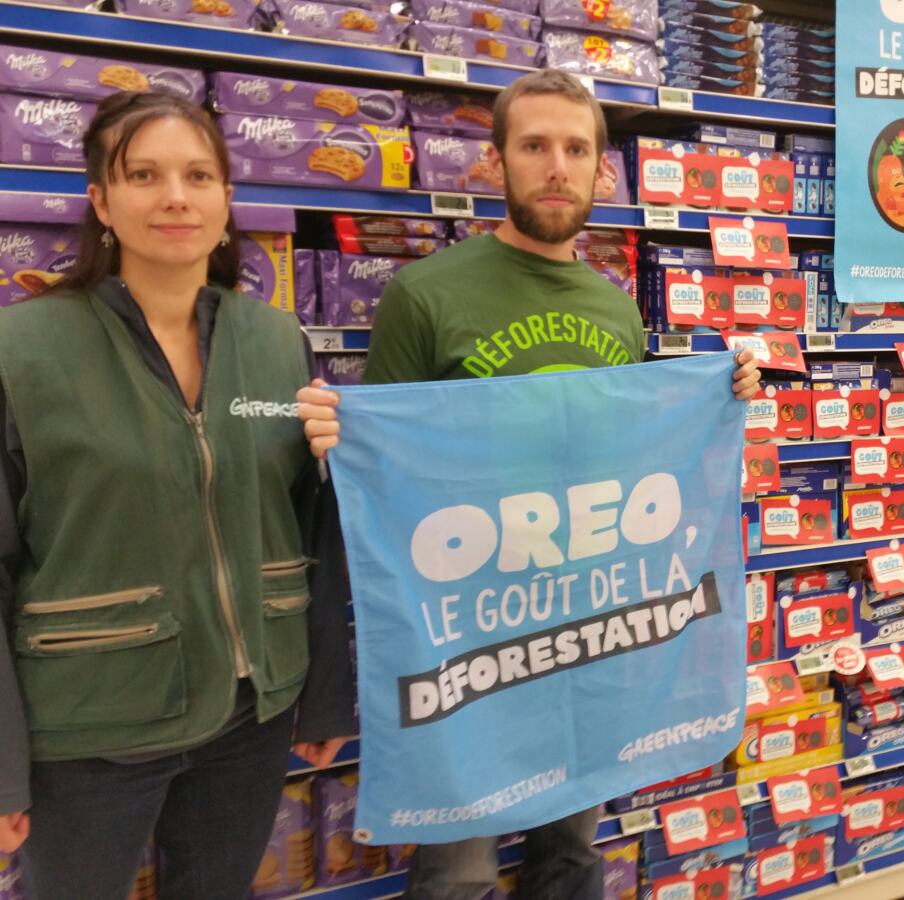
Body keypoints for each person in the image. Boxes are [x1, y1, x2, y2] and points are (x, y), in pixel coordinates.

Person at [296, 70, 760, 900]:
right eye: (535, 146)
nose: (556, 166)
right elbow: (384, 472)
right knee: (457, 868)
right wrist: (340, 439)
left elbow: (629, 450)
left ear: (599, 172)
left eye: (575, 149)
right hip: (470, 638)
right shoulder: (426, 295)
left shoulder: (614, 307)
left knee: (574, 851)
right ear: (497, 163)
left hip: (590, 624)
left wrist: (720, 397)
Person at [0, 91, 355, 899]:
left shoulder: (274, 341)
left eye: (200, 174)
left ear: (228, 199)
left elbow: (312, 524)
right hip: (87, 727)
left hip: (251, 718)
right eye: (145, 175)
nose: (176, 197)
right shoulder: (21, 351)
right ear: (101, 200)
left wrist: (327, 694)